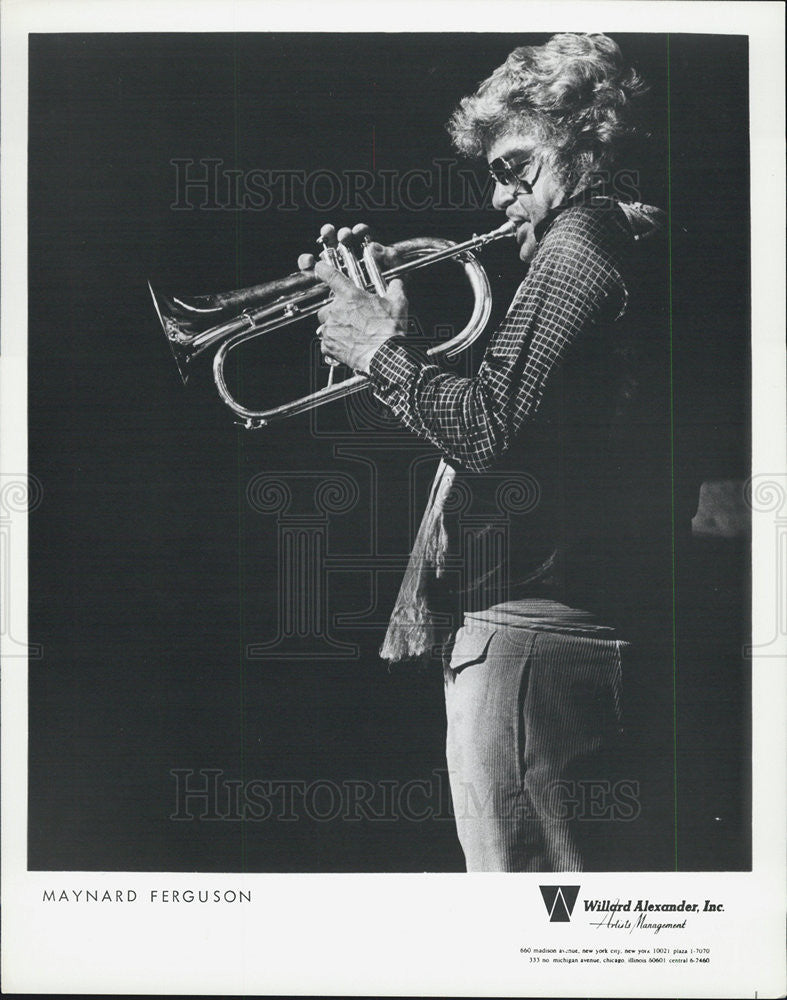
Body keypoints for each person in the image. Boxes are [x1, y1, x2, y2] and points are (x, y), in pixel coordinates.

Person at [298, 33, 675, 872]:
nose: (500, 197)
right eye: (494, 174)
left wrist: (378, 352)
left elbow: (485, 430)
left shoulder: (581, 244)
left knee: (523, 920)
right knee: (557, 912)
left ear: (586, 139)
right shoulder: (620, 238)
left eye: (516, 166)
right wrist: (397, 338)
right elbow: (522, 428)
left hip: (531, 638)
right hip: (546, 633)